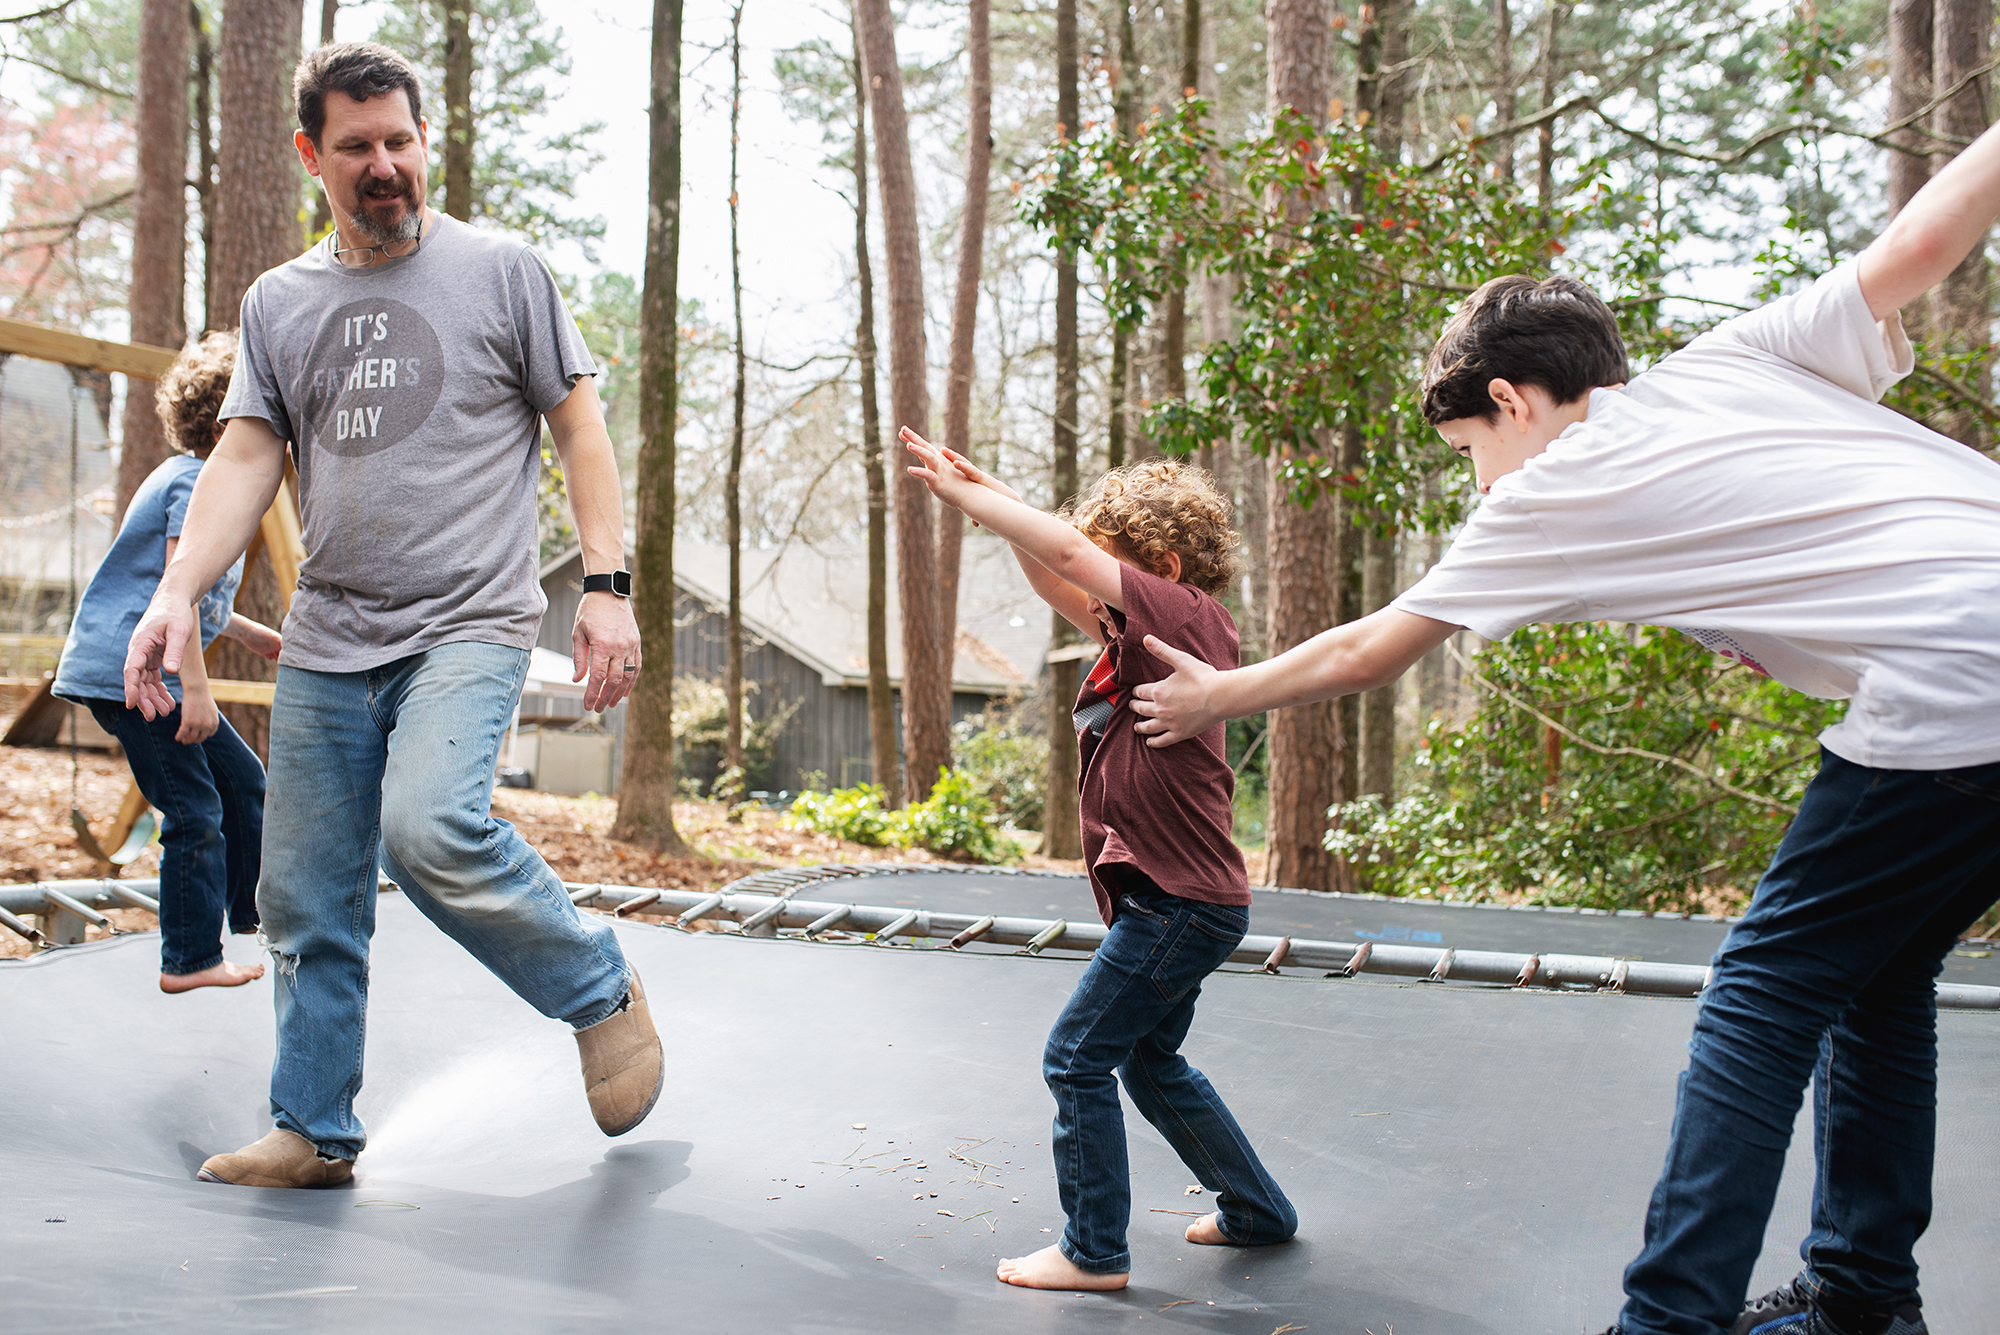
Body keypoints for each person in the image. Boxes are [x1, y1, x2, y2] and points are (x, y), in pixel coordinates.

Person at [1126, 121, 2000, 1335]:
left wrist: (1213, 694)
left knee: (1762, 988)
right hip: (1975, 673)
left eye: (1468, 452)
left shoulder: (1546, 488)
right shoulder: (1729, 360)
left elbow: (1367, 647)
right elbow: (1924, 239)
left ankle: (1668, 1319)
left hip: (1966, 670)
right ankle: (1861, 1298)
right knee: (1879, 974)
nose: (1479, 482)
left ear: (1507, 401)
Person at [121, 42, 661, 1191]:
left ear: (427, 143)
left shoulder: (502, 271)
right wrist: (175, 597)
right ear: (314, 155)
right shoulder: (281, 303)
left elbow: (582, 432)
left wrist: (607, 590)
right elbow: (247, 455)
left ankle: (597, 989)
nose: (385, 167)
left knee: (429, 833)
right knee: (303, 893)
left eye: (401, 142)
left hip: (466, 620)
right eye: (357, 147)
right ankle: (313, 1129)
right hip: (331, 638)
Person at [903, 429, 1298, 1292]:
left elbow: (1069, 552)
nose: (1090, 588)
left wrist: (970, 499)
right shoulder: (1135, 635)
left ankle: (1094, 1249)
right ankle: (1258, 1209)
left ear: (1156, 563)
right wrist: (996, 497)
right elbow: (1056, 567)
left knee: (1075, 1054)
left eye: (1110, 569)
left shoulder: (1186, 617)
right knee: (1150, 1064)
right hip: (1182, 900)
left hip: (1176, 904)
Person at [53, 332, 281, 994]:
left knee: (244, 783)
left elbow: (198, 592)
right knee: (194, 809)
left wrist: (249, 633)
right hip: (143, 674)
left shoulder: (189, 478)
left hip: (150, 665)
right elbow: (178, 587)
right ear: (232, 424)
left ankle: (250, 917)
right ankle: (188, 957)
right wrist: (196, 690)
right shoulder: (197, 483)